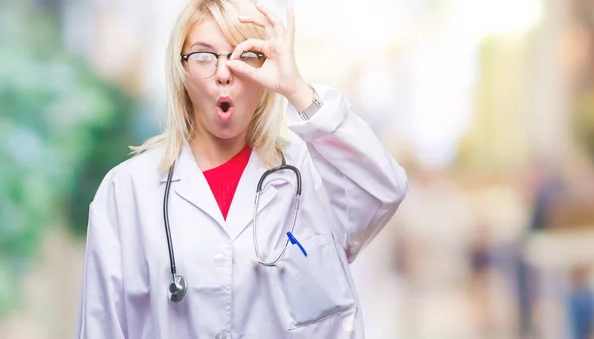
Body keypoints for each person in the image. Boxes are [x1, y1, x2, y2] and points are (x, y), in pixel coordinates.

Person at [75, 0, 408, 338]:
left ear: (265, 75)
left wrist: (297, 89)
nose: (224, 73)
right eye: (203, 55)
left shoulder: (312, 176)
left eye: (243, 55)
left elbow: (386, 187)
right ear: (182, 74)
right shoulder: (127, 191)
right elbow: (101, 326)